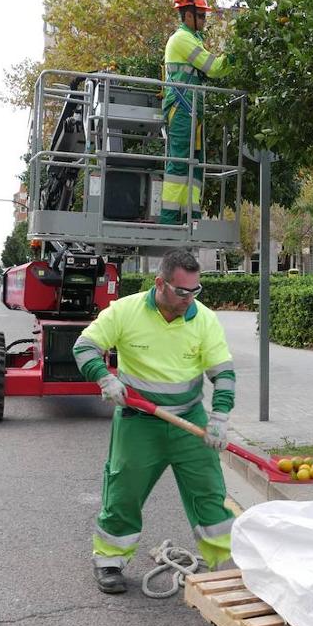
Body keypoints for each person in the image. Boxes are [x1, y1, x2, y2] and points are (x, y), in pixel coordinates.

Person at [72, 248, 237, 594]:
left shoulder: (203, 319)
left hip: (189, 420)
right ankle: (109, 560)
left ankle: (226, 564)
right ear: (160, 284)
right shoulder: (126, 312)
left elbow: (223, 373)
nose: (189, 299)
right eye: (182, 291)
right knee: (124, 492)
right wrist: (105, 378)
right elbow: (84, 347)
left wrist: (220, 416)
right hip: (138, 421)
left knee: (209, 494)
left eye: (195, 291)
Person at [160, 0, 231, 225]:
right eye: (201, 15)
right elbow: (215, 68)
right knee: (179, 163)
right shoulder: (182, 39)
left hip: (190, 110)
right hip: (181, 109)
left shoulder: (192, 39)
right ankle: (170, 218)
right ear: (187, 15)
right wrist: (237, 55)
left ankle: (191, 216)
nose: (204, 20)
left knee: (194, 165)